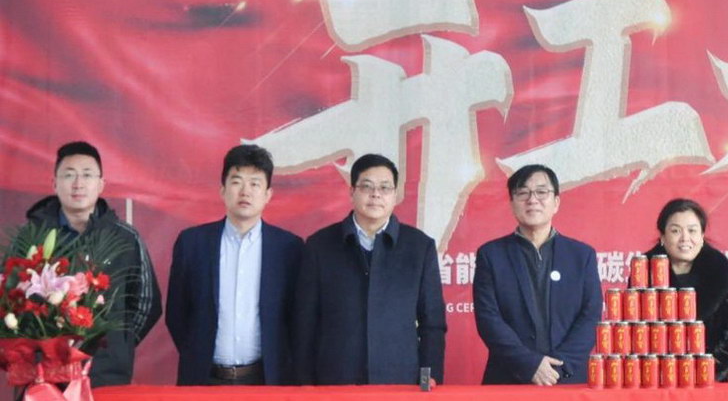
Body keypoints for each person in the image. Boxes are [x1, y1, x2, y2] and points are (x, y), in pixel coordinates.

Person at [291, 154, 446, 385]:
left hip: (400, 380)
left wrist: (427, 379)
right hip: (335, 380)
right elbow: (305, 322)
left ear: (395, 195)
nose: (376, 194)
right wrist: (305, 382)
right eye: (367, 186)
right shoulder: (319, 246)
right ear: (352, 192)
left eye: (385, 188)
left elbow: (432, 322)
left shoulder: (419, 247)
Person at [25, 141, 162, 386]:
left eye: (87, 175)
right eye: (69, 175)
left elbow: (146, 303)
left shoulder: (125, 238)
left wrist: (120, 342)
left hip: (106, 373)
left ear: (100, 184)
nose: (78, 184)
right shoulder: (31, 236)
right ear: (55, 183)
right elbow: (13, 297)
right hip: (44, 372)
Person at [165, 145, 303, 385]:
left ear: (268, 194)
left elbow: (297, 317)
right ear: (223, 190)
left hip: (266, 380)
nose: (245, 191)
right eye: (237, 182)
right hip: (204, 379)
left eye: (255, 184)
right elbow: (177, 314)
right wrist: (197, 354)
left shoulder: (289, 248)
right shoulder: (192, 243)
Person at [473, 164, 602, 385]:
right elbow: (488, 318)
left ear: (556, 202)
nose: (532, 200)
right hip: (508, 379)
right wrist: (529, 365)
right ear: (512, 203)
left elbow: (591, 316)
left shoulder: (581, 255)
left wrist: (558, 367)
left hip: (567, 380)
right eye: (523, 193)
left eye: (542, 192)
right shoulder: (491, 255)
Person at [645, 198, 728, 381]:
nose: (685, 238)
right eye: (675, 231)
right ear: (663, 237)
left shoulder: (720, 272)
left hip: (709, 379)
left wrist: (711, 367)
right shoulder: (644, 271)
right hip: (658, 379)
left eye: (692, 230)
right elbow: (637, 329)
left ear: (702, 236)